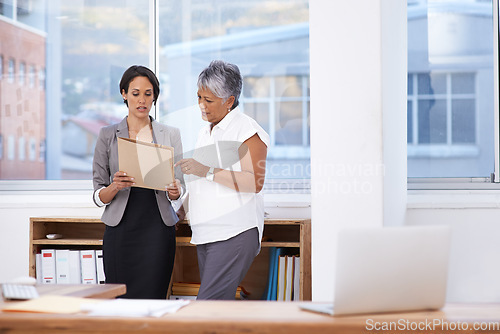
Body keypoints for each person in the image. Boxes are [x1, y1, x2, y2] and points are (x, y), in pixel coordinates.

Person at [176, 60, 269, 300]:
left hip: (234, 232)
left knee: (206, 307)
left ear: (229, 101)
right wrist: (180, 211)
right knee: (216, 311)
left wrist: (206, 169)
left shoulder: (247, 130)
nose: (201, 106)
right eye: (199, 98)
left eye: (208, 100)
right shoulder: (205, 131)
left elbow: (254, 182)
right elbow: (201, 182)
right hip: (206, 232)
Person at [92, 65, 183, 299]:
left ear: (154, 97)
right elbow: (98, 194)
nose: (142, 100)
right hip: (121, 230)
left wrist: (175, 190)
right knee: (119, 299)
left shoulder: (169, 134)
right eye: (135, 93)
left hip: (158, 229)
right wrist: (114, 186)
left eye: (148, 94)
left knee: (154, 298)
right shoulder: (107, 135)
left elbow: (179, 188)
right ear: (124, 94)